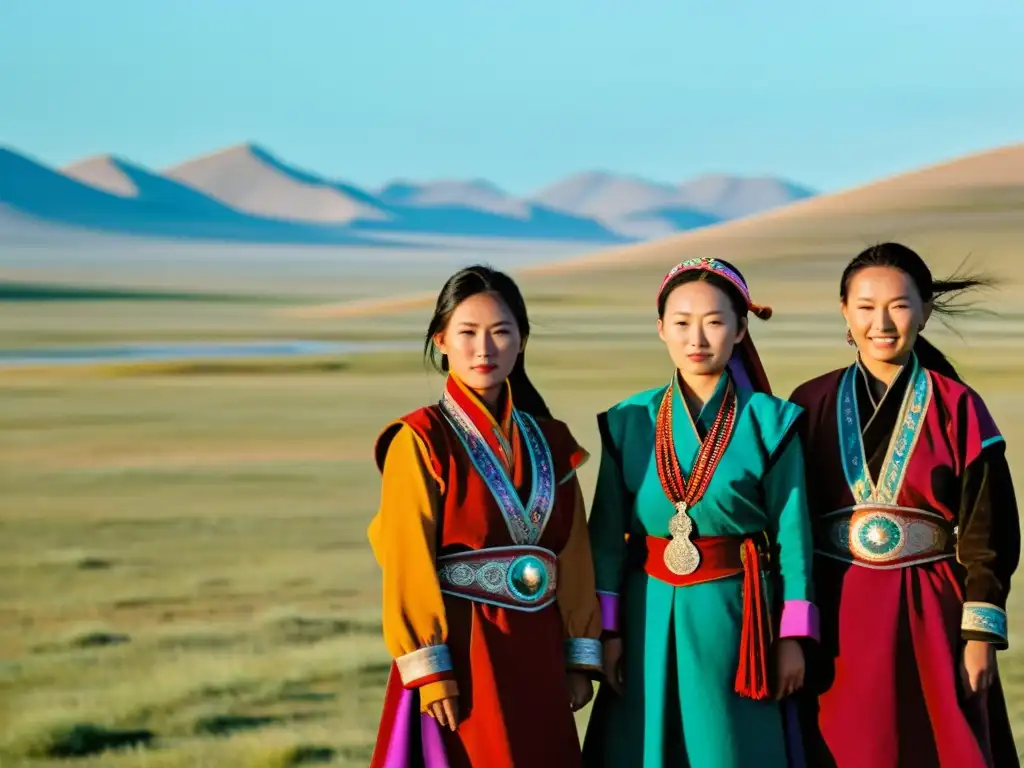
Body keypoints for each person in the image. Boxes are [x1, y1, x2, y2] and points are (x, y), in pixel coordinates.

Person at [789, 242, 1021, 768]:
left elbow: (990, 531)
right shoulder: (808, 403)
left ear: (925, 310)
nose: (882, 322)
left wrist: (980, 634)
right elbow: (786, 521)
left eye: (898, 304)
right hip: (836, 612)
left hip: (930, 613)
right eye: (866, 306)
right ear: (845, 311)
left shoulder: (957, 404)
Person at [582, 256, 819, 768]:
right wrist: (609, 632)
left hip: (738, 617)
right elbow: (604, 539)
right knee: (645, 746)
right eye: (682, 322)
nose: (698, 338)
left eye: (714, 322)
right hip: (644, 615)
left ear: (739, 330)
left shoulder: (771, 424)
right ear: (660, 328)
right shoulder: (627, 421)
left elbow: (794, 540)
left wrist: (793, 638)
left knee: (727, 747)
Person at [367, 265, 603, 768]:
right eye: (467, 333)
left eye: (501, 332)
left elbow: (574, 552)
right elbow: (407, 557)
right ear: (442, 341)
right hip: (462, 650)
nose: (484, 349)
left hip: (537, 648)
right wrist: (430, 668)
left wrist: (578, 653)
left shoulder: (552, 441)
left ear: (521, 341)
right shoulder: (421, 439)